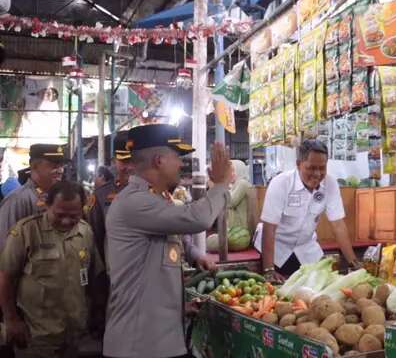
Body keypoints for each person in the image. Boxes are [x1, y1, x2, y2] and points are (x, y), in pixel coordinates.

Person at [102, 124, 231, 358]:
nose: (181, 164)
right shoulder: (135, 202)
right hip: (140, 346)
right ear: (159, 161)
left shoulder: (156, 200)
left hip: (158, 338)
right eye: (177, 157)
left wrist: (179, 308)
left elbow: (155, 266)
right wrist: (221, 184)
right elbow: (198, 218)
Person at [0, 181, 104, 357]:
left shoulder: (85, 232)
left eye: (74, 215)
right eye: (60, 214)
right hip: (36, 337)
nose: (66, 221)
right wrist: (11, 319)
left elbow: (93, 276)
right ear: (47, 206)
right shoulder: (26, 232)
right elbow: (6, 277)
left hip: (76, 336)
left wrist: (97, 315)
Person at [254, 139, 360, 282]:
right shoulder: (281, 183)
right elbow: (269, 228)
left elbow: (338, 226)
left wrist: (354, 263)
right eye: (311, 168)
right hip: (277, 246)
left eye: (322, 168)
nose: (317, 174)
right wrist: (268, 270)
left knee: (319, 284)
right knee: (281, 286)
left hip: (306, 247)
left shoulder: (330, 184)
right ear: (298, 164)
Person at [0, 144, 65, 251]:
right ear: (34, 166)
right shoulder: (18, 200)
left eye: (61, 166)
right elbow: (4, 245)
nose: (60, 170)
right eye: (54, 166)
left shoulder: (58, 197)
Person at [87, 134, 133, 266]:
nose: (129, 167)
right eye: (124, 161)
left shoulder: (151, 191)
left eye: (134, 161)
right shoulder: (101, 195)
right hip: (114, 269)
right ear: (114, 162)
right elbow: (96, 237)